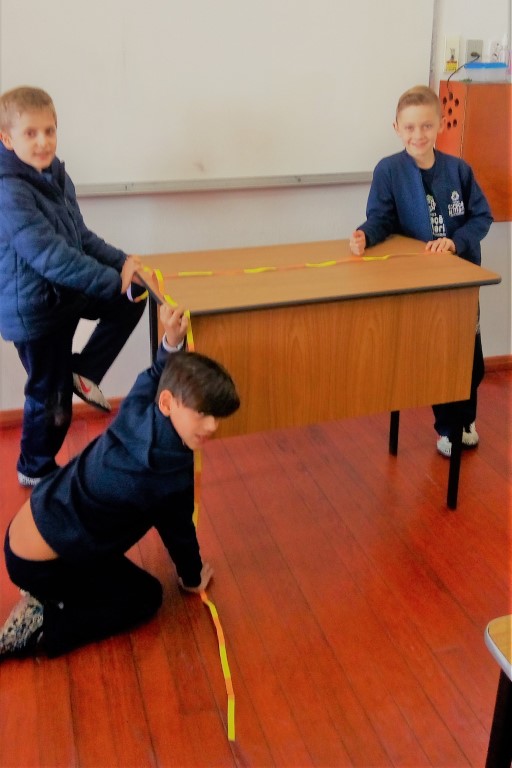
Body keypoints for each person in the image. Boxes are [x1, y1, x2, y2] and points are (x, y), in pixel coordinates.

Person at [0, 303, 240, 661]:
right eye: (203, 414)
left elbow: (154, 374)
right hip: (41, 564)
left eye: (217, 417)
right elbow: (179, 533)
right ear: (168, 403)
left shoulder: (139, 406)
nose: (212, 426)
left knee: (110, 566)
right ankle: (47, 628)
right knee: (145, 598)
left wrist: (171, 341)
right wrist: (192, 579)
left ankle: (48, 591)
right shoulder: (165, 474)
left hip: (24, 531)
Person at [0, 85, 147, 487]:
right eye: (31, 133)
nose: (43, 141)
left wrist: (124, 264)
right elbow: (52, 257)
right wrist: (112, 281)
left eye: (49, 131)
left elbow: (80, 238)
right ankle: (34, 468)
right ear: (7, 139)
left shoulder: (55, 175)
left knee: (133, 298)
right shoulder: (8, 190)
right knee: (50, 397)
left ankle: (83, 371)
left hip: (61, 295)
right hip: (35, 312)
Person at [349, 84, 493, 458]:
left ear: (440, 125)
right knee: (433, 356)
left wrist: (455, 242)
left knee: (468, 358)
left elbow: (481, 216)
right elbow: (381, 219)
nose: (418, 135)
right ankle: (447, 427)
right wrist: (365, 235)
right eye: (410, 127)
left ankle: (464, 420)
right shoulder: (389, 170)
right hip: (417, 283)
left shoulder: (459, 170)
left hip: (460, 281)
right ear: (397, 128)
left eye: (426, 126)